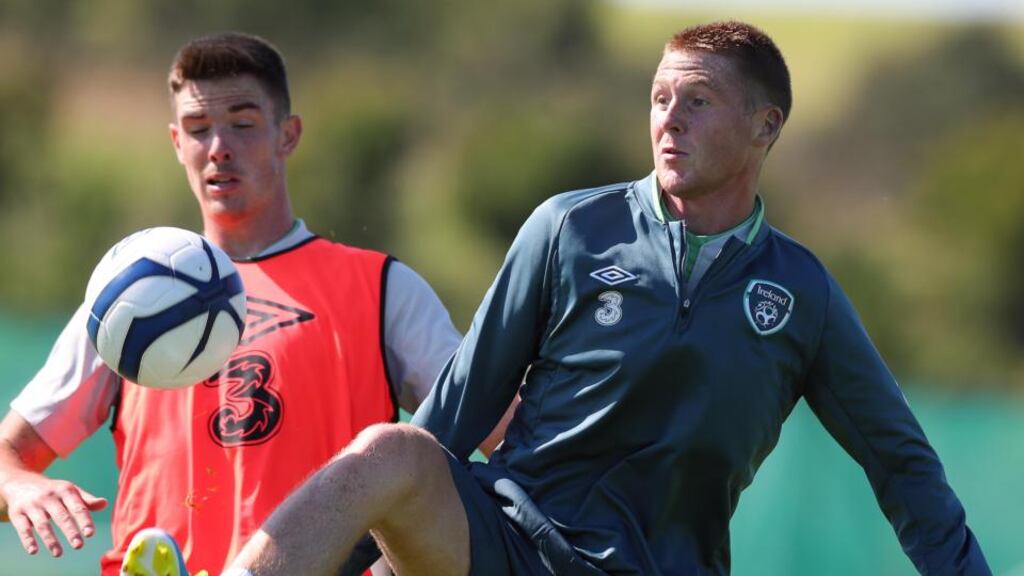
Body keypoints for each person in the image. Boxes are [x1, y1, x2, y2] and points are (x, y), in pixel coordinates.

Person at [137, 21, 991, 576]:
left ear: (766, 127)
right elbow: (454, 415)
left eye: (698, 102)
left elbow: (903, 466)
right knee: (393, 449)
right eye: (660, 99)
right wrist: (375, 559)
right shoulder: (569, 229)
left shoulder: (798, 292)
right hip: (508, 543)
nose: (669, 121)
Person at [0, 33, 465, 576]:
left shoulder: (382, 286)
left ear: (287, 134)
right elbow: (9, 456)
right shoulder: (125, 297)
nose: (219, 146)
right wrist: (20, 485)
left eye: (242, 124)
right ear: (177, 142)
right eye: (199, 129)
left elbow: (501, 429)